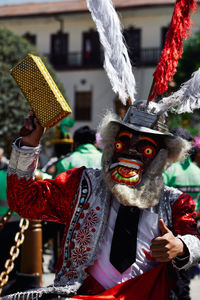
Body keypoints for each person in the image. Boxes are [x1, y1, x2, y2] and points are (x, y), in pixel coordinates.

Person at [5, 101, 200, 300]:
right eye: (122, 142)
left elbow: (194, 239)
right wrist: (28, 147)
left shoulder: (174, 201)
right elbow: (25, 201)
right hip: (82, 294)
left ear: (162, 155)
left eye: (145, 148)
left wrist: (180, 246)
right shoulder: (81, 184)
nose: (130, 151)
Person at [163, 127, 200, 300]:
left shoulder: (170, 171)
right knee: (184, 272)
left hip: (170, 229)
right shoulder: (197, 172)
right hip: (192, 227)